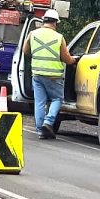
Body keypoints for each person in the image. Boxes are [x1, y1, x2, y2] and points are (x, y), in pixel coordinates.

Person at [23, 9, 77, 139]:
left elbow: (25, 51)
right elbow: (66, 58)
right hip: (54, 77)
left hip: (37, 74)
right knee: (57, 99)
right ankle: (48, 121)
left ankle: (40, 130)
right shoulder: (59, 37)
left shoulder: (32, 34)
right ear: (55, 23)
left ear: (43, 21)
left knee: (39, 102)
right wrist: (74, 60)